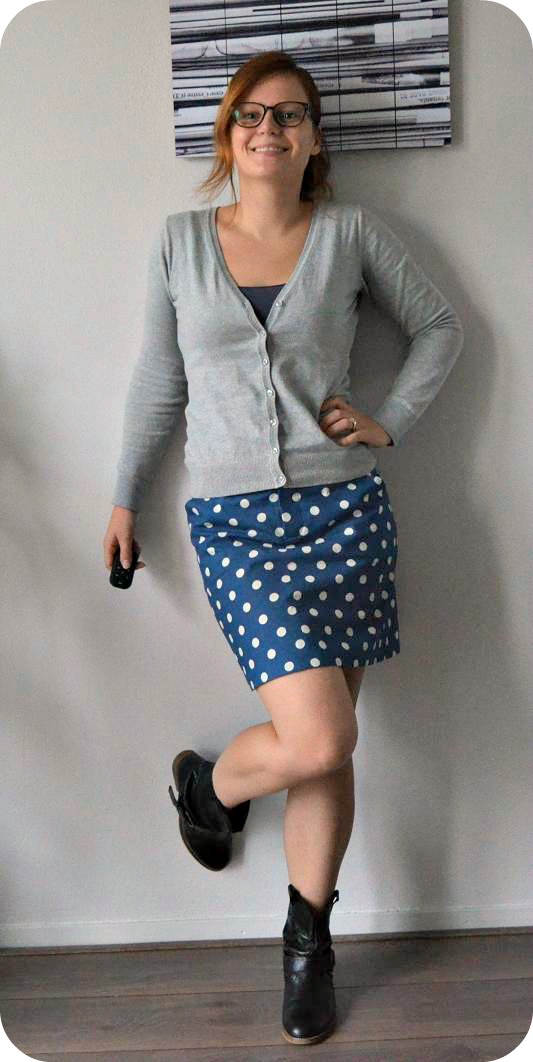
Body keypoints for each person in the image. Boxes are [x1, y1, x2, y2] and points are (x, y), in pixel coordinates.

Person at [102, 49, 464, 1046]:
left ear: (314, 137)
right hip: (236, 525)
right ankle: (208, 787)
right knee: (322, 737)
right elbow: (159, 381)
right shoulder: (180, 242)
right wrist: (125, 496)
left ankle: (308, 945)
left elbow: (438, 327)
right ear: (228, 133)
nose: (270, 130)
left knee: (325, 744)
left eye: (290, 115)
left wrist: (388, 419)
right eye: (251, 115)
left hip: (345, 513)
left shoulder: (350, 233)